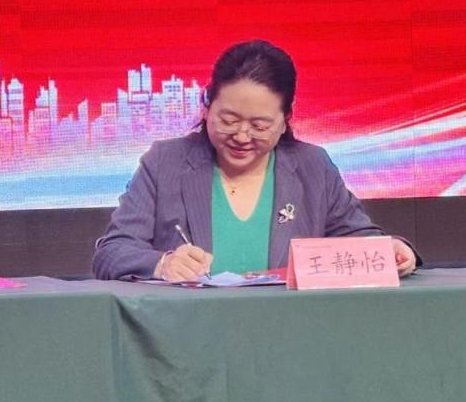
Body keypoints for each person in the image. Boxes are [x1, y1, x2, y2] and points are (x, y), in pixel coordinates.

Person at [92, 40, 419, 282]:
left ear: (285, 120)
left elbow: (359, 239)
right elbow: (112, 252)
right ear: (207, 106)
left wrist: (393, 250)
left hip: (287, 334)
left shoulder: (312, 166)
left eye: (260, 126)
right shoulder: (165, 163)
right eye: (228, 120)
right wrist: (162, 264)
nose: (242, 136)